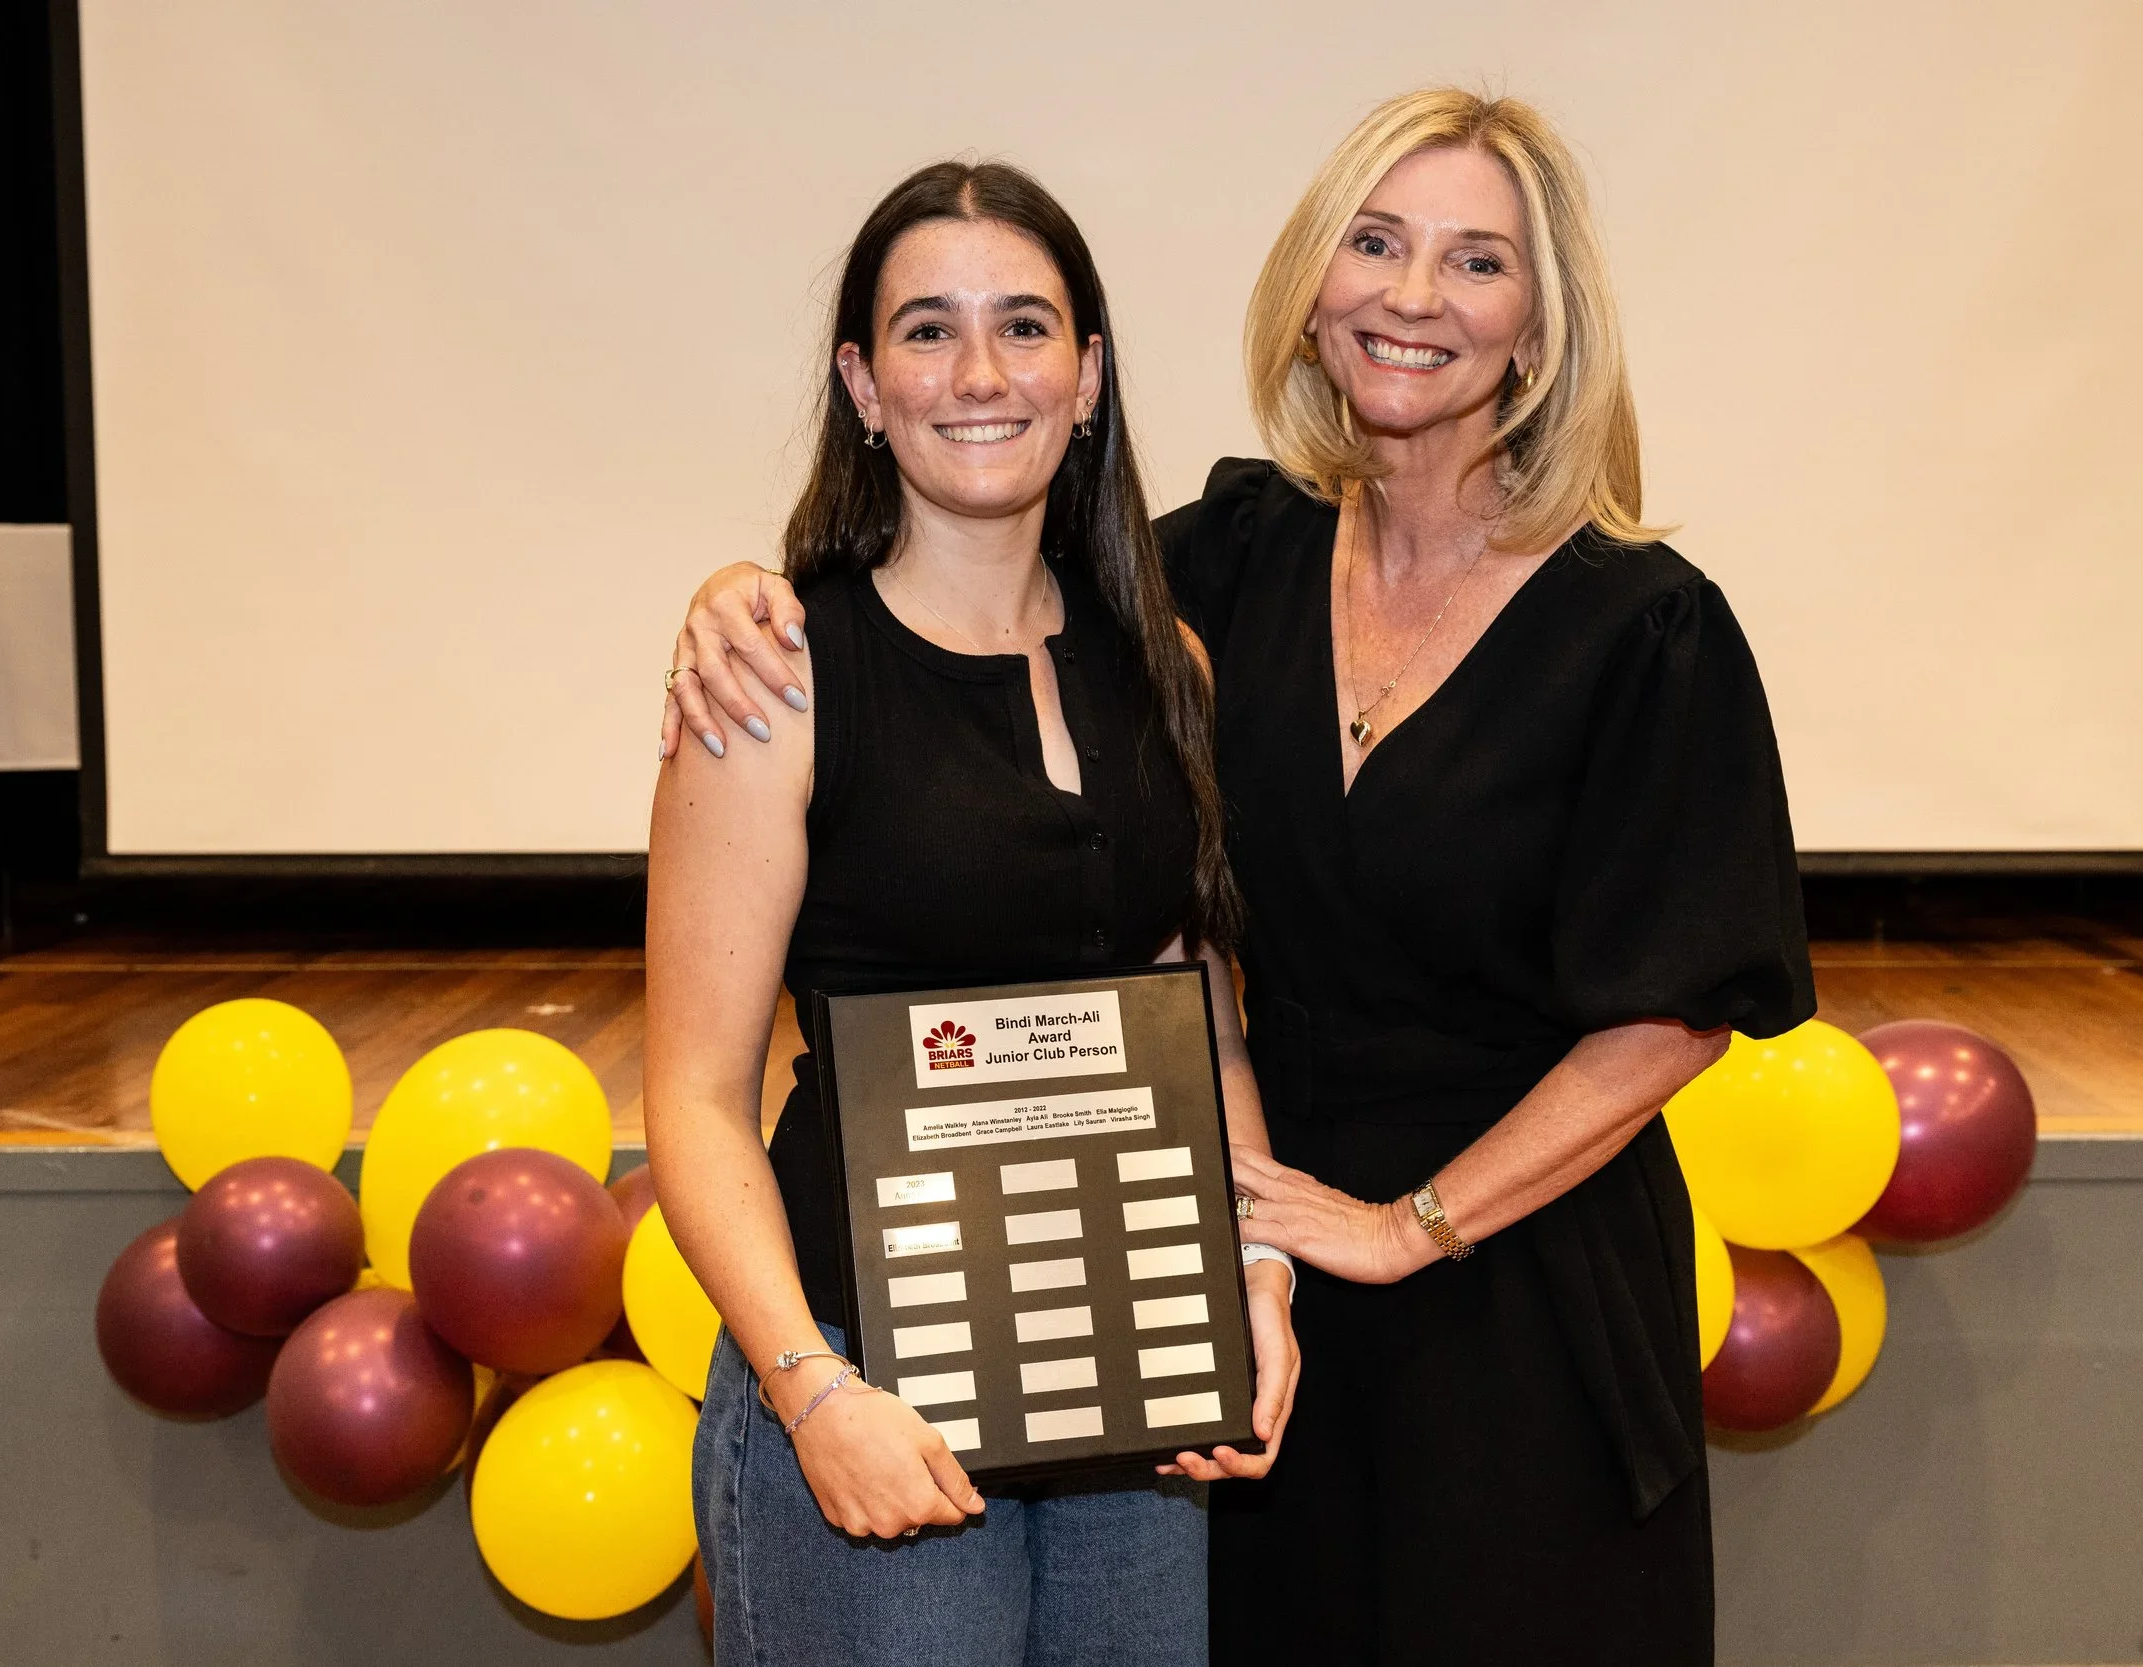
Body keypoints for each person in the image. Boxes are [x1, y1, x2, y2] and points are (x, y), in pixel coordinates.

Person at [661, 89, 1813, 1665]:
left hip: (1510, 1291)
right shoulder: (1226, 571)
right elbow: (978, 590)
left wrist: (1404, 1225)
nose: (1415, 295)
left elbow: (1677, 1012)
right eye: (1376, 243)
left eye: (1478, 261)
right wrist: (740, 594)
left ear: (1542, 330)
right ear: (1314, 286)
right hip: (1223, 1303)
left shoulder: (1644, 626)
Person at [643, 159, 1300, 1667]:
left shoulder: (1168, 664)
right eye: (928, 331)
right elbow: (692, 1097)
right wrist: (812, 1393)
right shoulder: (774, 676)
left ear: (1090, 375)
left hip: (1131, 1380)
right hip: (869, 1390)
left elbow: (1202, 1025)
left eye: (1025, 326)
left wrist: (1253, 1275)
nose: (982, 374)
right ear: (863, 387)